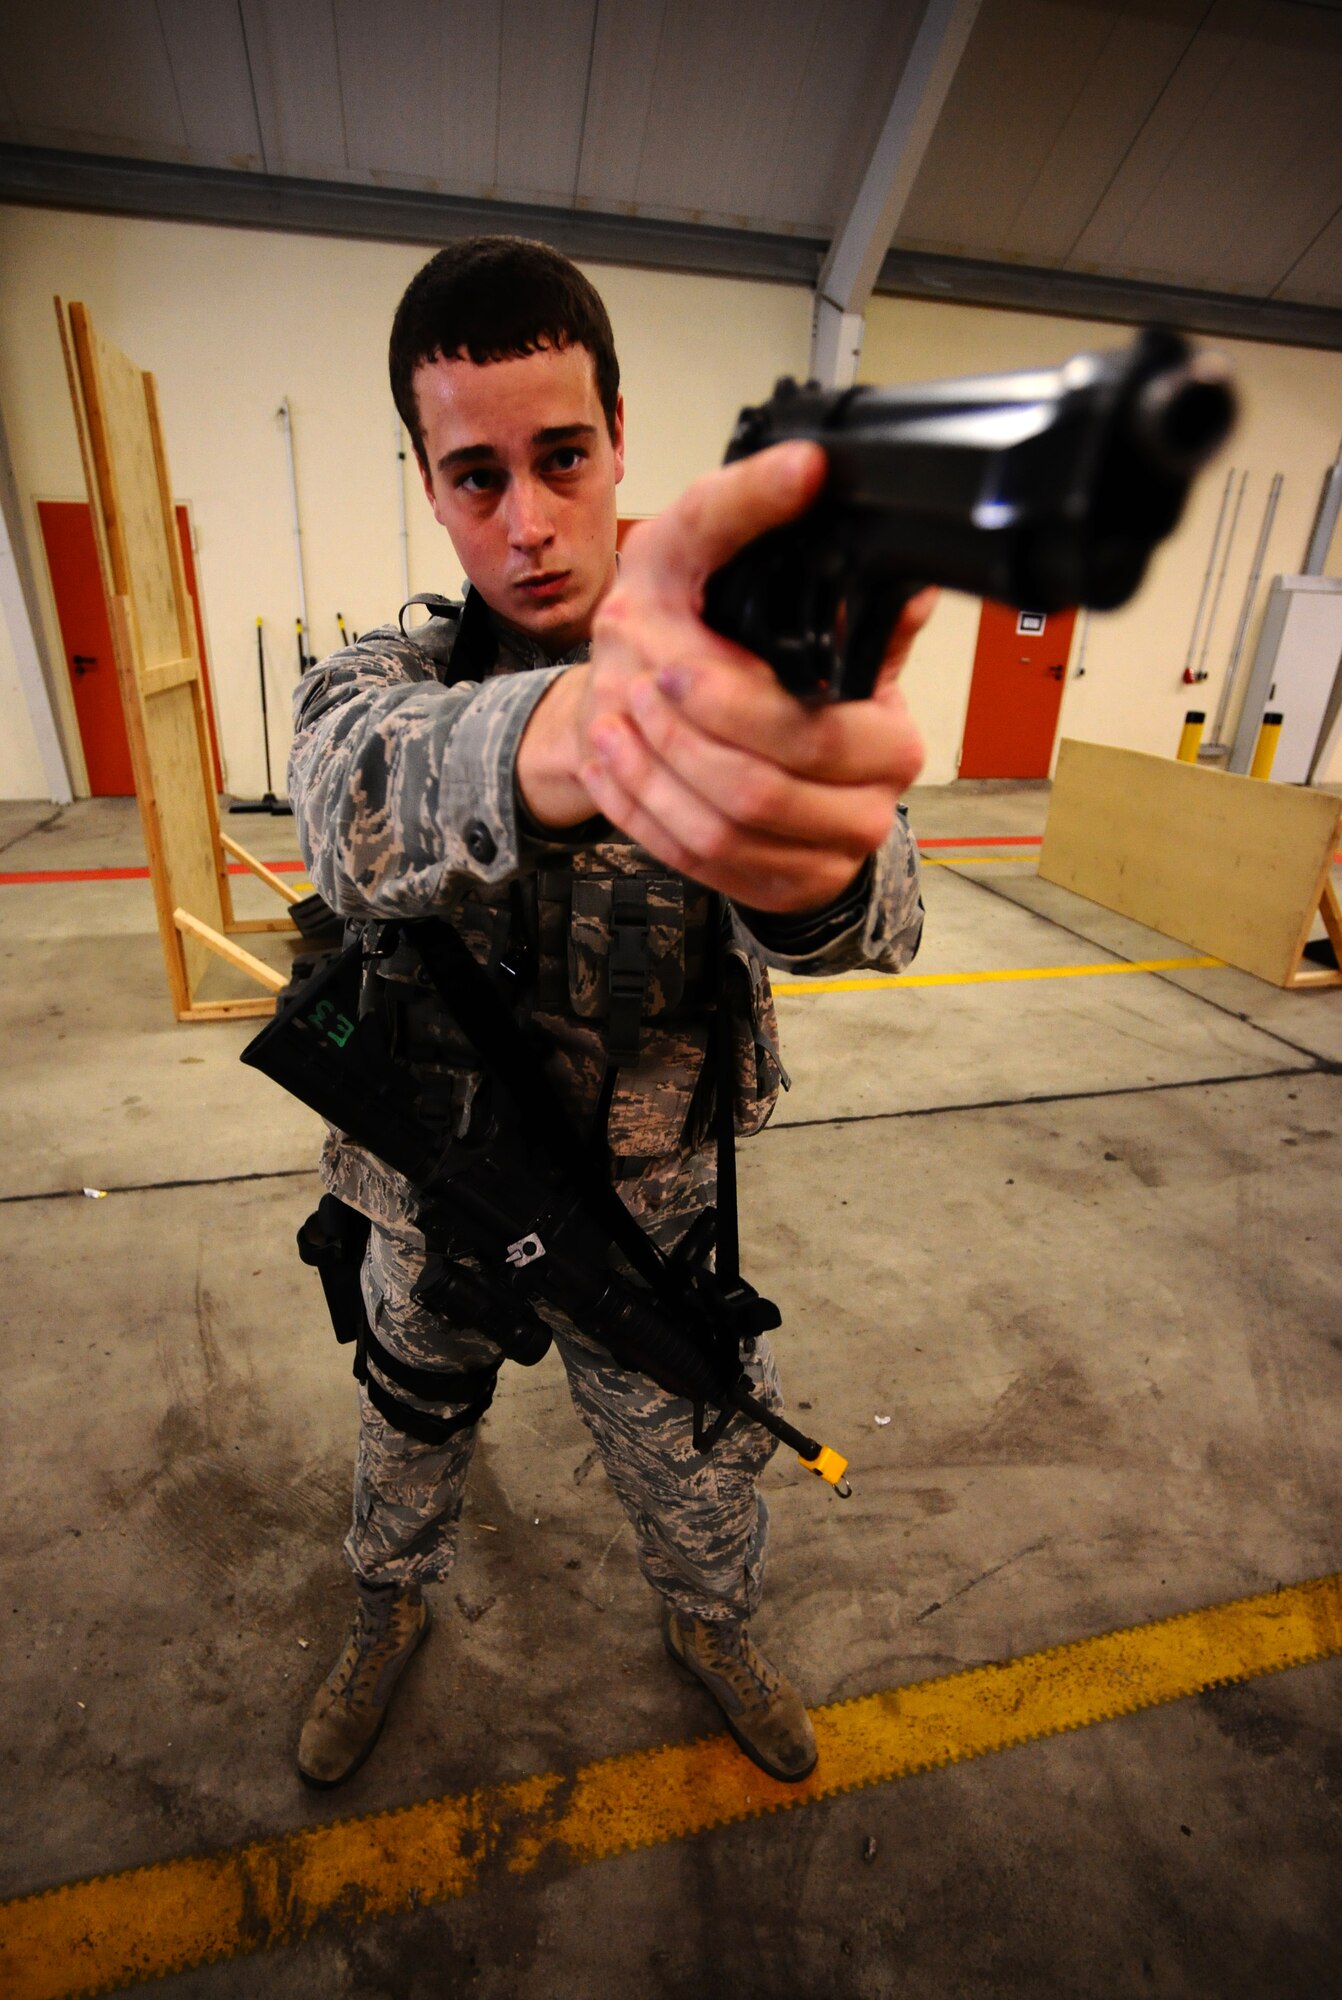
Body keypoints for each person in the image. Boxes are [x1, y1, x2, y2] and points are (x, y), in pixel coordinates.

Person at [288, 236, 931, 1791]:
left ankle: (708, 1622)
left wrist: (795, 857)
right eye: (475, 475)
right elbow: (342, 803)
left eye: (560, 457)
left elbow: (884, 923)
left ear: (618, 437)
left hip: (642, 1212)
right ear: (430, 485)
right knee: (403, 1425)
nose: (526, 519)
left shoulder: (740, 669)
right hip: (430, 1190)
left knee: (702, 1467)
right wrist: (600, 728)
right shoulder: (390, 678)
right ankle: (384, 1609)